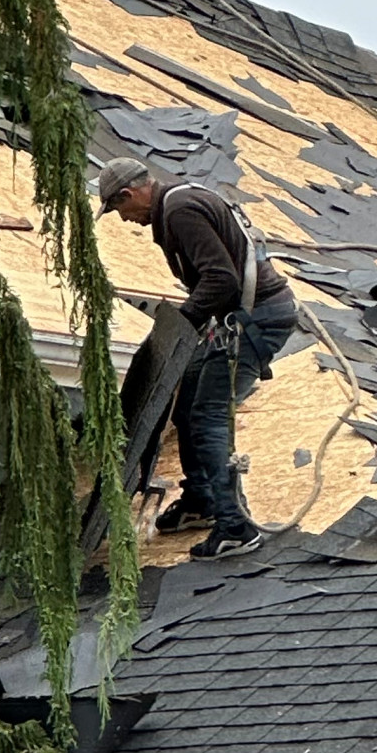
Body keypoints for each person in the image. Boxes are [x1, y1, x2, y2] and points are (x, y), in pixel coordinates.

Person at [97, 158, 299, 559]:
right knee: (188, 402)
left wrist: (184, 321)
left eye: (118, 209)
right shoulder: (176, 205)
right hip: (238, 319)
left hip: (254, 321)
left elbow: (221, 279)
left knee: (209, 418)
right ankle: (201, 501)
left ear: (128, 194)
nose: (123, 220)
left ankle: (236, 526)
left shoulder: (180, 210)